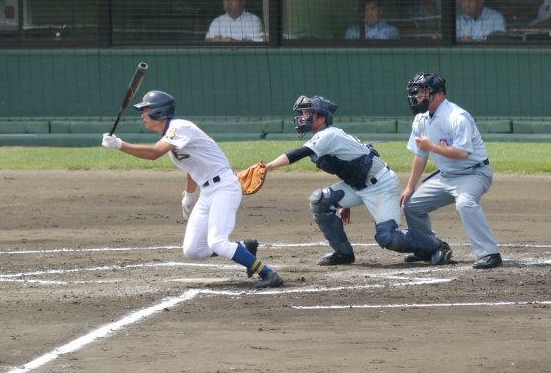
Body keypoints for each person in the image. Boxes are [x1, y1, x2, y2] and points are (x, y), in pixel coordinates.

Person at [101, 90, 283, 289]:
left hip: (224, 188)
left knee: (217, 243)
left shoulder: (179, 128)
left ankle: (268, 273)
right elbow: (192, 167)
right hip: (208, 192)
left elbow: (154, 153)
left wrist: (120, 145)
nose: (142, 115)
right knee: (193, 250)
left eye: (145, 110)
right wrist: (189, 195)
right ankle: (244, 248)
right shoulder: (171, 136)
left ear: (158, 112)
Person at [262, 95, 452, 266]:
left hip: (381, 186)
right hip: (359, 184)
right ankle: (343, 253)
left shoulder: (327, 135)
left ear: (321, 117)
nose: (303, 117)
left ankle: (437, 246)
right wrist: (346, 203)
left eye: (308, 113)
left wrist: (267, 167)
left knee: (388, 237)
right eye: (303, 113)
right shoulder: (324, 137)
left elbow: (298, 154)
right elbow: (347, 167)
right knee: (320, 201)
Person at [400, 72, 503, 269]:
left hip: (473, 173)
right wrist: (410, 187)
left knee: (465, 204)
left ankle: (489, 254)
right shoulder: (420, 119)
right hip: (445, 176)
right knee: (410, 205)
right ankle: (427, 247)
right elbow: (421, 156)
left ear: (439, 95)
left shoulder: (457, 117)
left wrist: (432, 147)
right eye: (417, 92)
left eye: (423, 92)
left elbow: (463, 153)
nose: (418, 96)